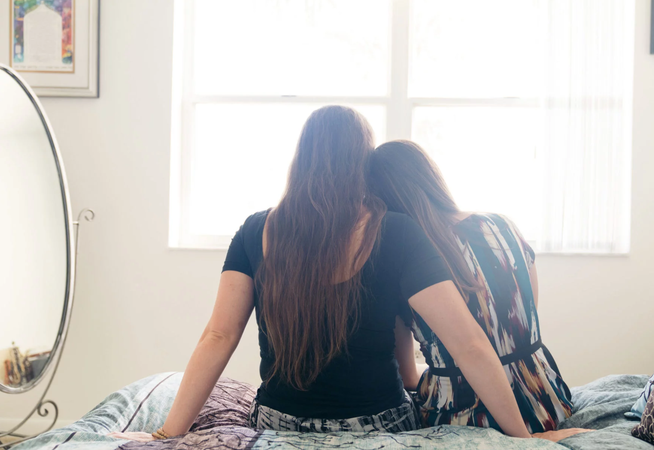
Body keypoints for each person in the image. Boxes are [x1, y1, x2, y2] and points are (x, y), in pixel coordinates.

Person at [111, 107, 586, 443]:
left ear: (301, 158)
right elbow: (470, 344)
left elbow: (218, 335)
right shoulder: (394, 230)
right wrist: (525, 439)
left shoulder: (256, 231)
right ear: (363, 162)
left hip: (278, 423)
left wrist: (168, 434)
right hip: (378, 426)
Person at [367, 140, 579, 435]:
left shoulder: (406, 256)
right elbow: (527, 322)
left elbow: (407, 374)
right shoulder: (503, 225)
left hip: (467, 414)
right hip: (546, 398)